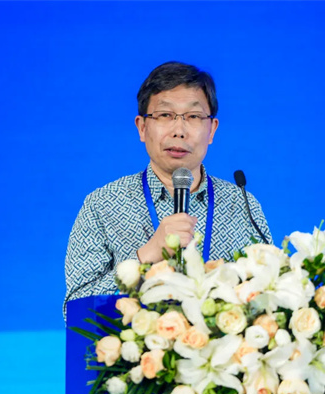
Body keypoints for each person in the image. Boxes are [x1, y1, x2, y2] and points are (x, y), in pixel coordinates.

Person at [63, 61, 272, 320]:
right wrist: (145, 257)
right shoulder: (102, 205)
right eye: (165, 115)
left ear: (212, 130)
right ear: (142, 127)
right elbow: (76, 312)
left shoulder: (242, 205)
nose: (179, 131)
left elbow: (269, 298)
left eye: (193, 117)